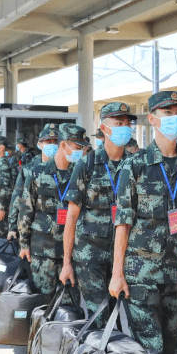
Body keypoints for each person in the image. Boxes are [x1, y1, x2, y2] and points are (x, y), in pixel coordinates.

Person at [111, 91, 177, 354]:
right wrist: (117, 274)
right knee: (150, 351)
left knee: (170, 348)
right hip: (141, 275)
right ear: (152, 119)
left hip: (175, 274)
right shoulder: (134, 166)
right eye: (167, 113)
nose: (175, 119)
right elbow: (123, 224)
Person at [60, 103, 136, 325]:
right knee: (100, 318)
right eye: (118, 123)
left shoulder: (134, 164)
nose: (125, 127)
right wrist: (67, 263)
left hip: (125, 256)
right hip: (90, 256)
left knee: (126, 318)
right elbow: (72, 216)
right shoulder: (88, 164)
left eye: (127, 123)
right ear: (104, 128)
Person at [19, 124, 88, 297]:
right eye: (77, 146)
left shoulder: (80, 174)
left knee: (69, 306)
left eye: (82, 147)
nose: (80, 151)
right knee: (42, 302)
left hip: (72, 253)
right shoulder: (37, 172)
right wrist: (24, 244)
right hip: (43, 250)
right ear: (63, 145)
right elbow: (26, 209)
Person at [7, 125, 58, 240]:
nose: (52, 145)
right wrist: (12, 227)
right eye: (48, 142)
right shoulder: (29, 169)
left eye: (55, 142)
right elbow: (17, 198)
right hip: (36, 232)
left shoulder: (65, 169)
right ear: (40, 144)